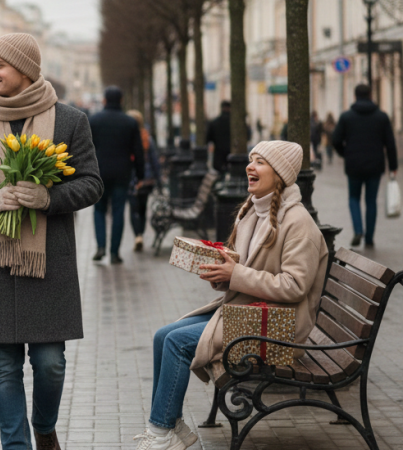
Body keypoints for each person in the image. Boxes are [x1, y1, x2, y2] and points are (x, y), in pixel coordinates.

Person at [0, 33, 103, 450]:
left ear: (26, 70)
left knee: (50, 364)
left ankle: (44, 426)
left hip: (49, 261)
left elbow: (91, 184)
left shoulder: (71, 121)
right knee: (3, 368)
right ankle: (15, 446)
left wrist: (47, 197)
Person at [134, 141, 328, 449]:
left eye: (260, 162)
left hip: (281, 326)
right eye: (251, 160)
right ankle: (174, 426)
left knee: (177, 343)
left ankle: (160, 434)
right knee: (162, 335)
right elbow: (244, 269)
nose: (250, 167)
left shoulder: (299, 222)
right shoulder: (252, 211)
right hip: (249, 310)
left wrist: (235, 276)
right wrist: (223, 279)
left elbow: (294, 285)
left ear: (280, 174)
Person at [332, 84, 399, 248]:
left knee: (354, 198)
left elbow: (335, 140)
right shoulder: (382, 117)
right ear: (370, 95)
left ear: (355, 96)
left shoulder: (347, 117)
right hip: (375, 165)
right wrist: (393, 165)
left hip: (353, 165)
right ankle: (369, 237)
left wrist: (345, 154)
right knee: (371, 201)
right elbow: (390, 143)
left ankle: (358, 229)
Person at [88, 87, 144, 264]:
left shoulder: (94, 120)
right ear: (121, 101)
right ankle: (114, 253)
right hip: (122, 173)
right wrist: (140, 175)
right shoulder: (129, 122)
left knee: (99, 210)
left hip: (99, 173)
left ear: (104, 100)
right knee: (119, 211)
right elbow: (138, 150)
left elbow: (87, 148)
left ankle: (100, 246)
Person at [127, 110, 161, 252]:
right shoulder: (147, 137)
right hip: (147, 180)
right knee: (143, 208)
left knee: (133, 209)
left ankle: (138, 235)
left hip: (131, 180)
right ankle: (140, 232)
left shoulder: (125, 138)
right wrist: (158, 179)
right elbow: (154, 160)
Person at [206, 100, 231, 173]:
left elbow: (208, 138)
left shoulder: (214, 123)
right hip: (232, 155)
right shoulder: (235, 124)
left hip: (218, 155)